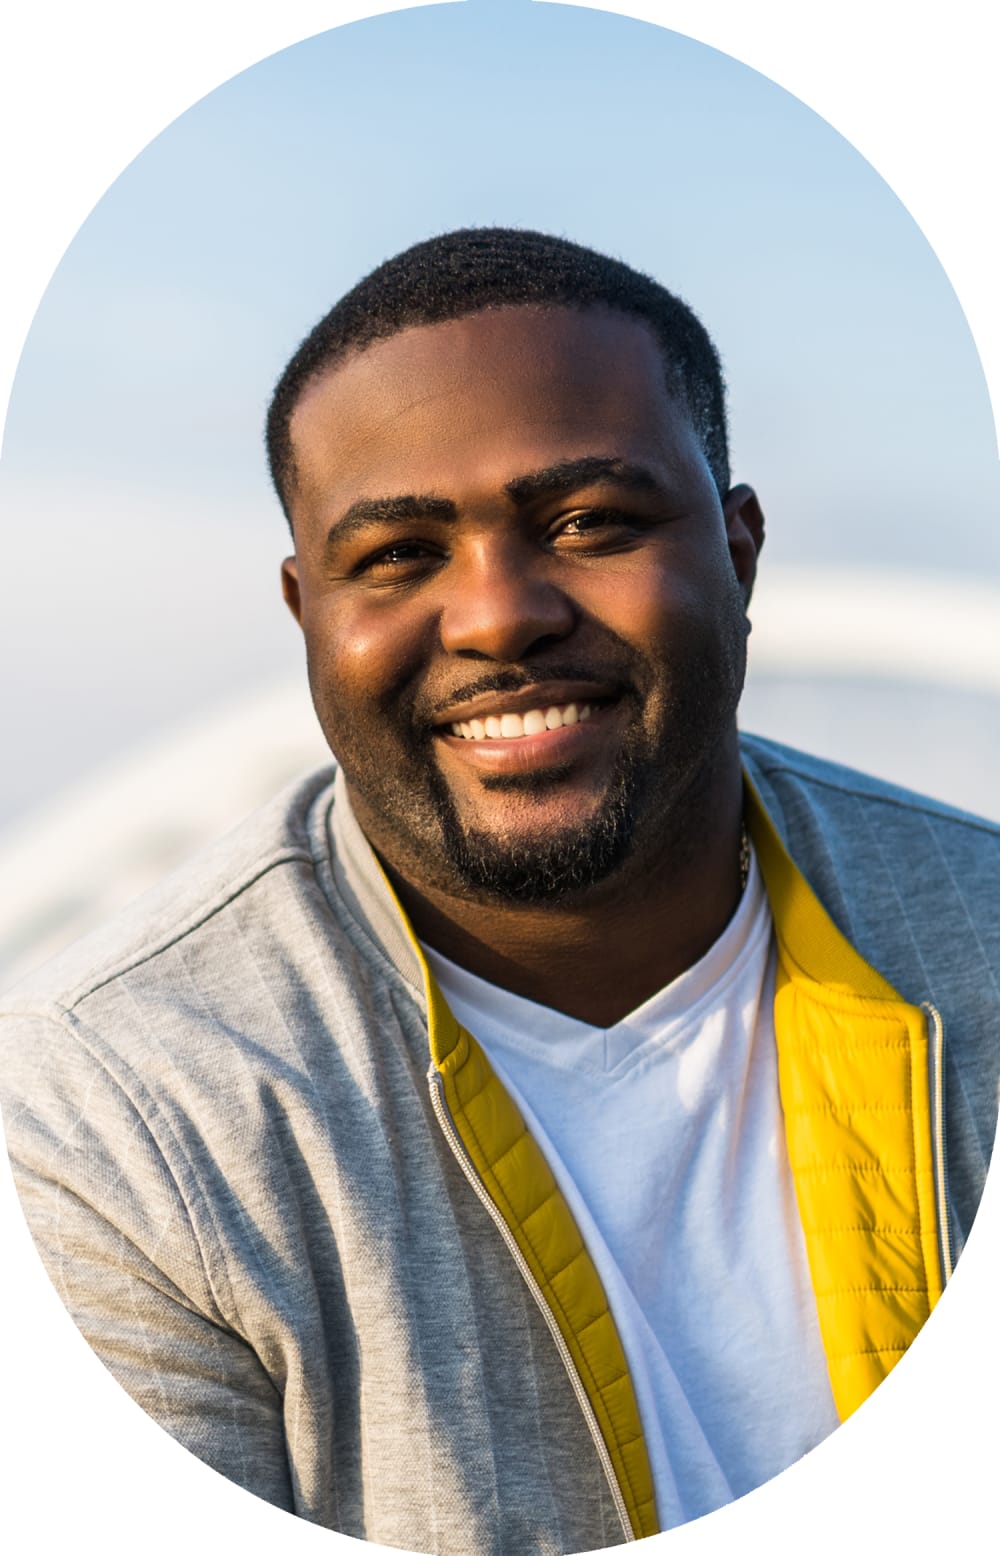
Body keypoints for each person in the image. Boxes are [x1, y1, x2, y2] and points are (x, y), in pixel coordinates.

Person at [2, 228, 998, 1555]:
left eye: (590, 523)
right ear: (307, 611)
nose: (496, 618)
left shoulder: (974, 933)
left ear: (740, 553)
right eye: (399, 555)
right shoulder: (116, 1112)